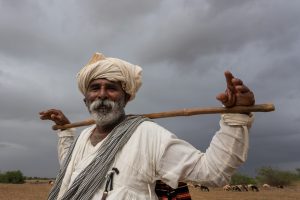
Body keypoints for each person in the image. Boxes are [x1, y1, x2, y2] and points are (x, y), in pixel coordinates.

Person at [39, 52, 255, 200]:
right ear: (86, 99)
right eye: (95, 88)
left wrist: (236, 119)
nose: (102, 94)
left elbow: (212, 172)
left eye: (111, 88)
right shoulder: (84, 138)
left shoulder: (148, 135)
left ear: (126, 97)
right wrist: (66, 131)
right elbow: (69, 166)